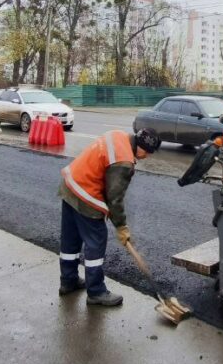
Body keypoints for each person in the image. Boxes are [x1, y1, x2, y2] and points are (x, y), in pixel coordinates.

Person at [57, 128, 160, 307]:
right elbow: (115, 198)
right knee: (96, 241)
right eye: (148, 153)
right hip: (85, 194)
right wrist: (121, 226)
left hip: (70, 185)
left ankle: (68, 281)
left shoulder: (118, 135)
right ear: (142, 147)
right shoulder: (124, 161)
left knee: (70, 240)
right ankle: (96, 292)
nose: (147, 157)